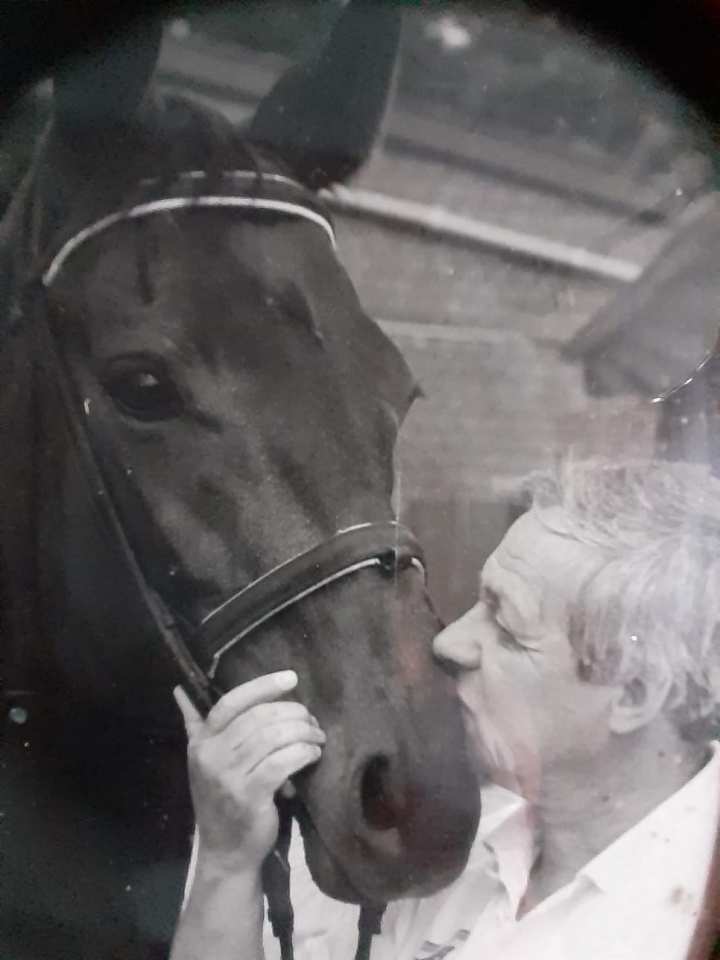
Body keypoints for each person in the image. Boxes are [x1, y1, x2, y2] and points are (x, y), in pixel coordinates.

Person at [171, 458, 720, 960]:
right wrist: (228, 862)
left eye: (506, 627)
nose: (450, 642)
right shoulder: (443, 839)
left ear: (635, 694)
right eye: (479, 602)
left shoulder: (694, 915)